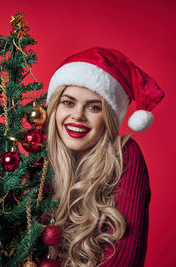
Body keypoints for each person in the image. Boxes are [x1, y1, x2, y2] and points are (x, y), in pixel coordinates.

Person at [45, 47, 164, 266]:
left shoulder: (124, 154)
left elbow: (125, 258)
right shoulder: (38, 159)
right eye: (68, 102)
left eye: (93, 107)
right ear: (54, 108)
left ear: (109, 117)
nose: (78, 115)